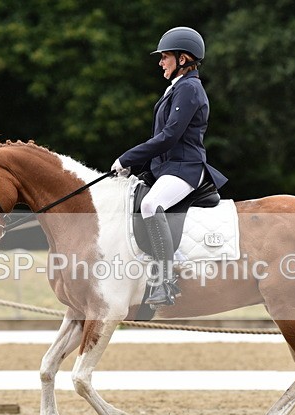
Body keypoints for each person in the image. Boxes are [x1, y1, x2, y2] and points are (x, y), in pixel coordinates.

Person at [111, 27, 228, 307]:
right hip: (168, 168)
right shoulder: (177, 87)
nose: (161, 62)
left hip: (185, 168)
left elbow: (169, 137)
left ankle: (165, 281)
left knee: (151, 205)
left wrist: (127, 158)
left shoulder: (189, 88)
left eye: (165, 57)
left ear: (183, 59)